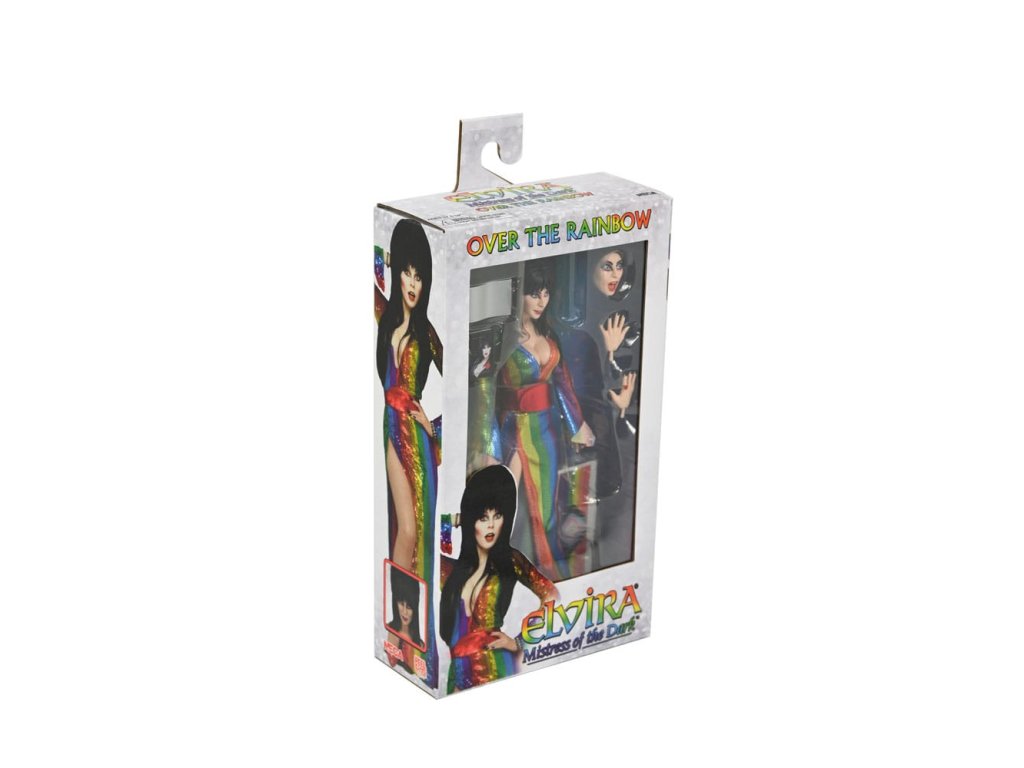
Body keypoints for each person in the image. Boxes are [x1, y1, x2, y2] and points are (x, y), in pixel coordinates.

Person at [470, 263, 595, 580]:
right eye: (533, 294)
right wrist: (488, 444)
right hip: (512, 428)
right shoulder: (504, 337)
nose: (541, 301)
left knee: (547, 507)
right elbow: (485, 389)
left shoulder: (549, 335)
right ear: (519, 294)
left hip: (546, 431)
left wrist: (577, 425)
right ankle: (491, 572)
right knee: (500, 506)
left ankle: (548, 573)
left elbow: (563, 384)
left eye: (546, 293)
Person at [374, 218, 442, 686]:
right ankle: (398, 634)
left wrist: (433, 425)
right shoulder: (386, 320)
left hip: (416, 439)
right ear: (397, 271)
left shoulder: (427, 332)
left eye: (420, 276)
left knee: (416, 537)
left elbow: (463, 382)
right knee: (403, 533)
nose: (413, 283)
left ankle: (411, 640)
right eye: (407, 272)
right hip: (389, 427)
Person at [440, 466, 558, 693]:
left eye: (498, 515)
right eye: (483, 517)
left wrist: (520, 641)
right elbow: (421, 545)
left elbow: (552, 596)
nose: (491, 525)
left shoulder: (510, 560)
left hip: (495, 667)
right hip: (458, 672)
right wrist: (458, 518)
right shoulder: (452, 571)